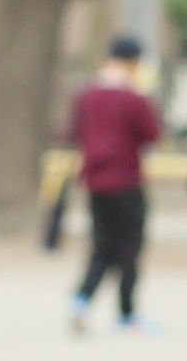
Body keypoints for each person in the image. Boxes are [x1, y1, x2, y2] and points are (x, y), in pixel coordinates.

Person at [66, 34, 164, 335]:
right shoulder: (134, 98)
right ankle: (127, 313)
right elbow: (152, 134)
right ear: (134, 62)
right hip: (126, 181)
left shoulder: (86, 95)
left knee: (100, 246)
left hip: (95, 181)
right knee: (130, 250)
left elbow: (73, 132)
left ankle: (80, 301)